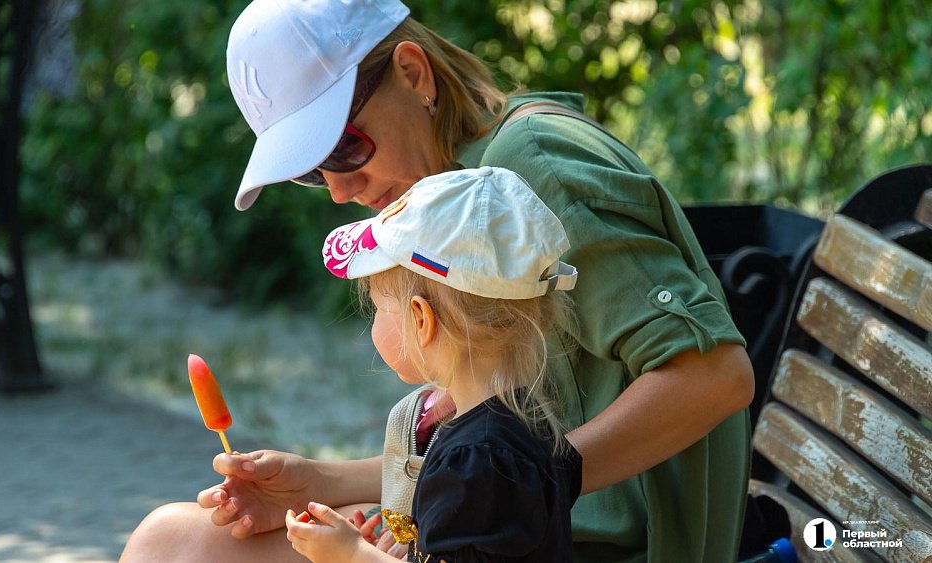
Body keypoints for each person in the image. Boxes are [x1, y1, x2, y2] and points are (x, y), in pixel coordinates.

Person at [120, 0, 755, 561]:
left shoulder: (529, 167)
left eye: (343, 148)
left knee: (170, 545)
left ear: (414, 73)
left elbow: (715, 375)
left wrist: (508, 499)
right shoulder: (472, 188)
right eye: (312, 171)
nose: (339, 189)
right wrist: (324, 481)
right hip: (543, 531)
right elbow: (505, 448)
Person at [286, 166, 582, 562]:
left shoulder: (478, 460)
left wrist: (352, 555)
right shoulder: (526, 427)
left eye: (378, 307)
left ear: (422, 320)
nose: (373, 320)